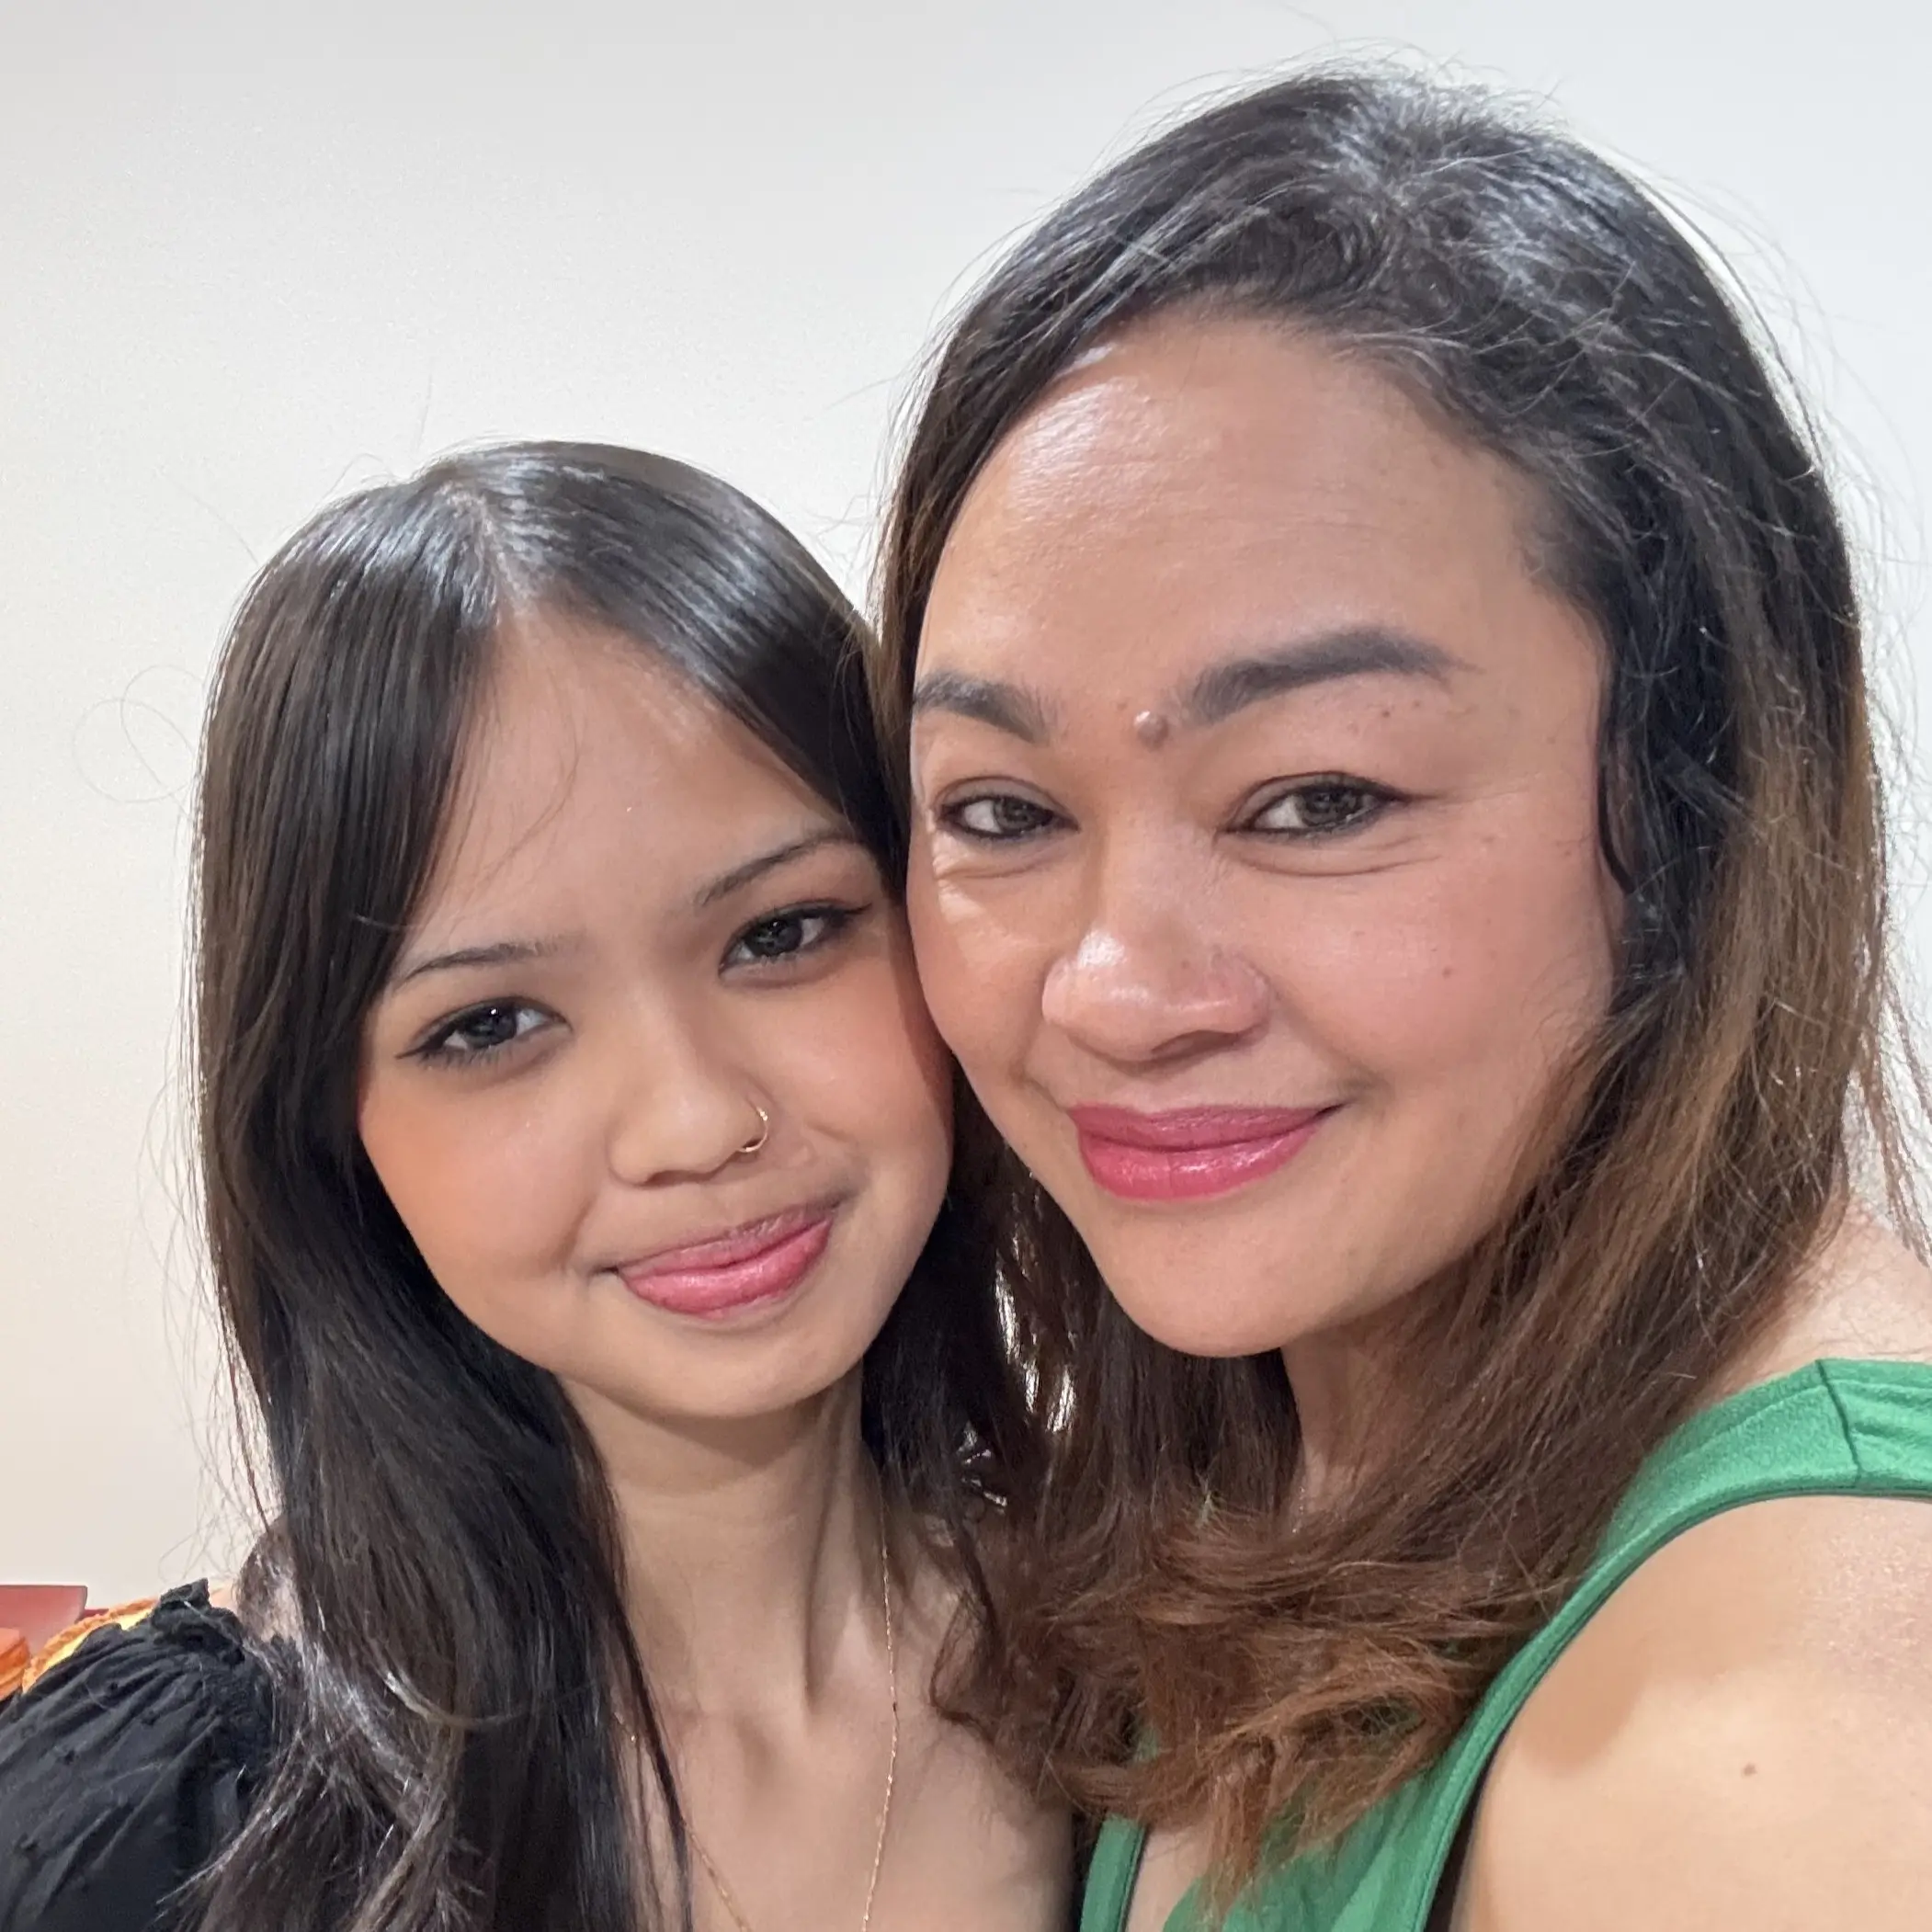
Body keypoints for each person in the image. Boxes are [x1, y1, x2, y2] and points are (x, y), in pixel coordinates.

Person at [873, 65, 1932, 1932]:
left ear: (1689, 803)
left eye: (1317, 800)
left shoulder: (1766, 1756)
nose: (1117, 992)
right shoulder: (1291, 1427)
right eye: (1003, 811)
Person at [0, 444, 1070, 1932]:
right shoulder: (148, 1836)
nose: (693, 1119)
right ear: (332, 1128)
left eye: (781, 932)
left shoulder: (1169, 1686)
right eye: (491, 1023)